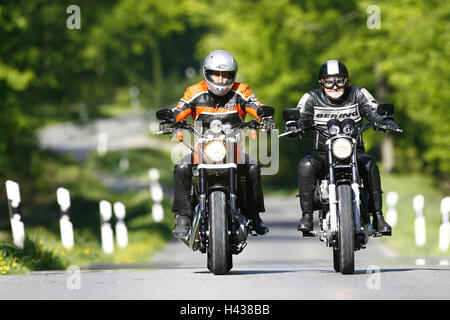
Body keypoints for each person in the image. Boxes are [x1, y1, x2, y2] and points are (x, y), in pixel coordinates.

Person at [284, 59, 399, 235]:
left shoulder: (359, 94)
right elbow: (300, 116)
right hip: (322, 154)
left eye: (339, 80)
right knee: (305, 165)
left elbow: (373, 111)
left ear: (346, 81)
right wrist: (294, 125)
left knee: (370, 165)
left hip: (355, 153)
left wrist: (384, 120)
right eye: (329, 81)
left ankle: (378, 217)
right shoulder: (311, 97)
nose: (335, 86)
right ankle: (307, 217)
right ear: (321, 83)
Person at [171, 50, 273, 238]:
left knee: (252, 168)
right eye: (216, 74)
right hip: (202, 149)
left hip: (232, 149)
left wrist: (264, 117)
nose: (220, 79)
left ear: (233, 75)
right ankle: (184, 216)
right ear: (207, 73)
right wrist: (171, 119)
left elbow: (256, 105)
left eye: (225, 75)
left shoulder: (241, 91)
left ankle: (253, 214)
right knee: (182, 167)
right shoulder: (194, 92)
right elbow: (180, 108)